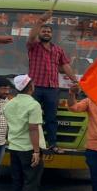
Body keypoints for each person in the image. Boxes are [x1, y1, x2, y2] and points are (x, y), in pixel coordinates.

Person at [27, 11, 77, 154]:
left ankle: (52, 144)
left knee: (51, 119)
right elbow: (31, 36)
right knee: (32, 118)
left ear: (52, 34)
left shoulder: (58, 50)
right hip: (34, 88)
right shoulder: (33, 46)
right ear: (40, 33)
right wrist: (41, 20)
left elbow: (66, 66)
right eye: (44, 31)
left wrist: (75, 80)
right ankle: (31, 145)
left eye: (49, 31)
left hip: (52, 89)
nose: (46, 33)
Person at [4, 75, 46, 191]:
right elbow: (33, 129)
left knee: (17, 182)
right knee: (31, 183)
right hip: (29, 149)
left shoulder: (9, 104)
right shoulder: (33, 105)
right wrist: (36, 151)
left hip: (14, 148)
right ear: (31, 87)